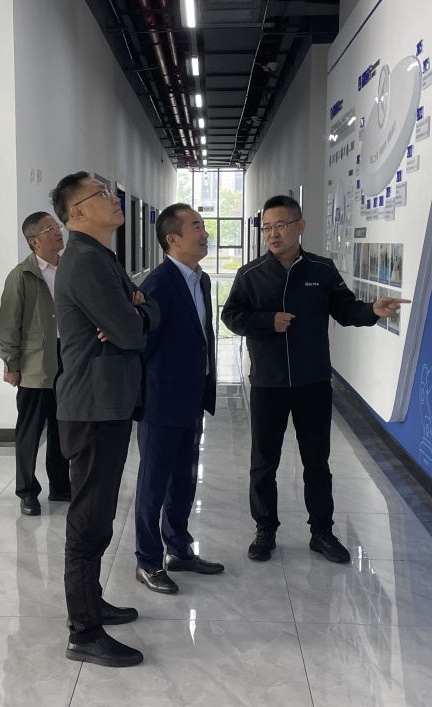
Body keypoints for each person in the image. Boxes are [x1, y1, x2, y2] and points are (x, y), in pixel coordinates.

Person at [221, 195, 407, 564]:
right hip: (269, 383)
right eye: (267, 228)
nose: (273, 234)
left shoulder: (322, 270)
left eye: (281, 225)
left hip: (313, 382)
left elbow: (345, 309)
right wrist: (266, 322)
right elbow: (231, 316)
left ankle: (322, 531)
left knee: (317, 462)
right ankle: (265, 529)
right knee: (264, 462)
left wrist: (371, 310)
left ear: (300, 226)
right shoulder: (251, 274)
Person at [51, 172, 159, 668]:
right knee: (90, 519)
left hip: (107, 402)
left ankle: (92, 602)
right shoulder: (85, 260)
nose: (113, 199)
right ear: (76, 212)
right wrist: (130, 316)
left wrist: (136, 310)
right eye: (101, 194)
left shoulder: (101, 255)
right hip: (92, 406)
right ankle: (84, 631)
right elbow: (132, 333)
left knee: (100, 513)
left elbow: (143, 313)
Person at [131, 203, 223, 594]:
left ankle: (179, 549)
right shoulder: (158, 284)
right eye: (196, 227)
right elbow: (143, 345)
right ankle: (147, 561)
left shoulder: (200, 279)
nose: (205, 233)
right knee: (153, 485)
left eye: (203, 226)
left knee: (184, 479)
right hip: (161, 401)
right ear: (173, 239)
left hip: (191, 397)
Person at [0, 211, 71, 516]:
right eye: (49, 229)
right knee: (30, 431)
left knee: (62, 427)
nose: (57, 231)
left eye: (57, 226)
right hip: (34, 364)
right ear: (33, 241)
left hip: (68, 358)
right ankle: (27, 491)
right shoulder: (21, 275)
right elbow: (8, 324)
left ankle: (60, 485)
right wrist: (10, 363)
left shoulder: (70, 269)